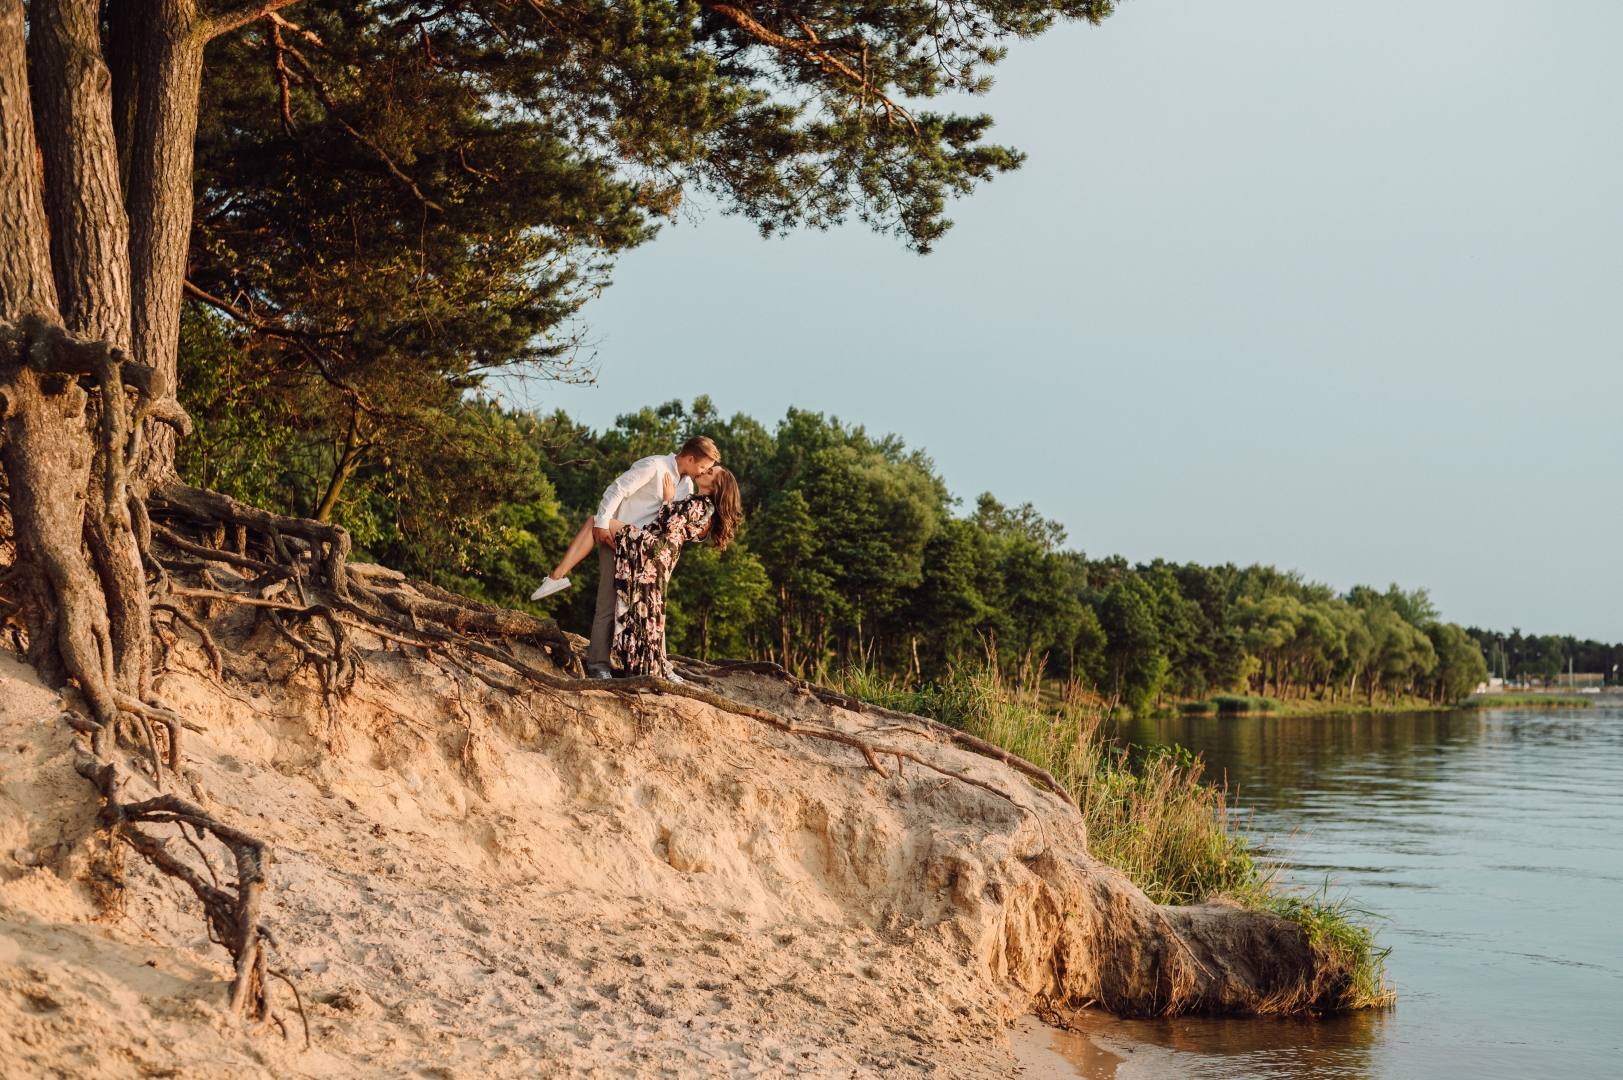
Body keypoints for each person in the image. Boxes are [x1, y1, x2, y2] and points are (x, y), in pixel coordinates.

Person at [531, 436, 719, 679]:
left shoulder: (687, 487)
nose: (704, 471)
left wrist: (701, 532)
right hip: (617, 542)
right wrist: (601, 523)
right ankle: (598, 666)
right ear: (691, 458)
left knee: (651, 612)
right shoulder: (655, 465)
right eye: (703, 466)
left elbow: (676, 523)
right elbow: (617, 489)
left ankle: (659, 666)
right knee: (608, 606)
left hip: (646, 556)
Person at [609, 467, 741, 680]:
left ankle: (643, 672)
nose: (704, 471)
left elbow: (669, 524)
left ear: (714, 486)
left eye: (709, 472)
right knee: (647, 613)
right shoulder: (706, 509)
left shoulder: (700, 504)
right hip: (664, 560)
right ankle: (643, 672)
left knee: (601, 521)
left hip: (652, 551)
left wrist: (667, 500)